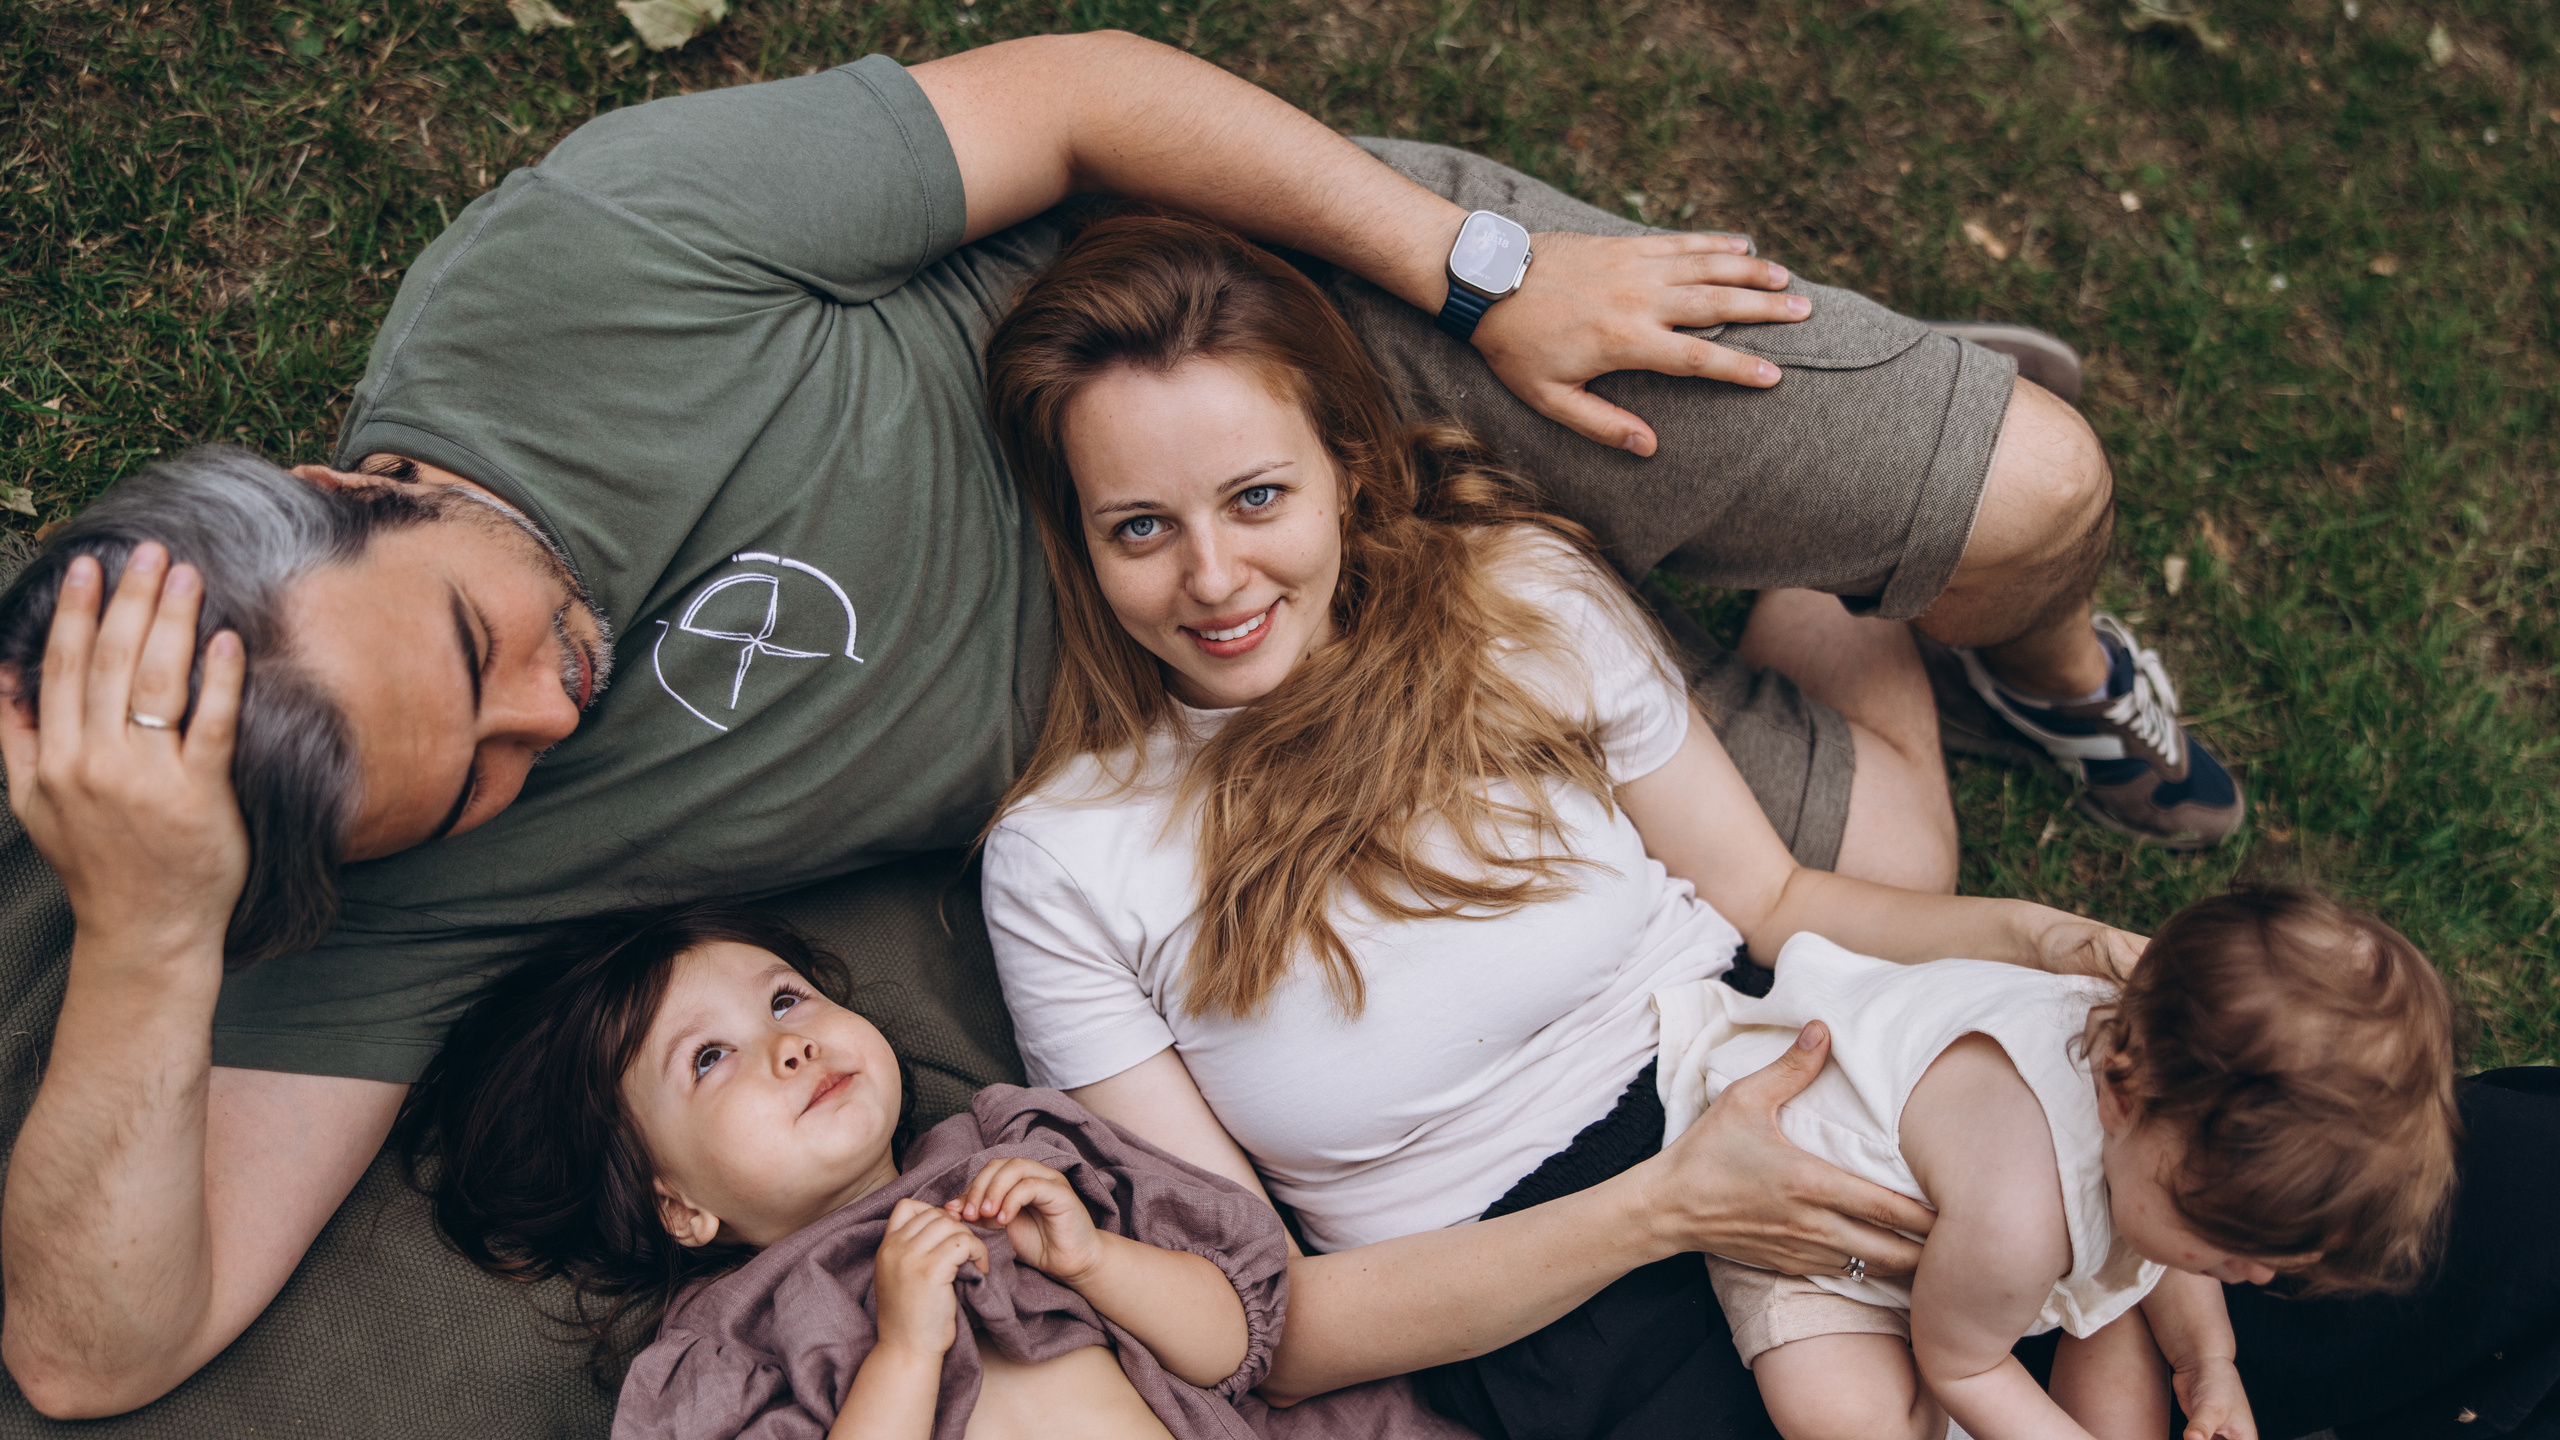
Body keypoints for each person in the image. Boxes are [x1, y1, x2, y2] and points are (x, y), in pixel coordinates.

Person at [0, 29, 2219, 1416]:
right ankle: (1808, 635)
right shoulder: (358, 910)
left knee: (2029, 490)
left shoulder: (570, 276)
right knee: (1844, 896)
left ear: (351, 481)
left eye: (482, 640)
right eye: (468, 780)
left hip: (1234, 372)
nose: (546, 716)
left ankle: (2022, 660)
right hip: (1229, 721)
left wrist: (1464, 269)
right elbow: (85, 1356)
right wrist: (149, 934)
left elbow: (1066, 102)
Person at [974, 210, 2151, 1436]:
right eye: (1142, 528)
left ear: (1347, 472)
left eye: (1258, 496)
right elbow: (1267, 1324)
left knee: (2257, 1278)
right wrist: (1669, 1207)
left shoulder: (1510, 599)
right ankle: (1850, 557)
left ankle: (1857, 517)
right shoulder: (1063, 863)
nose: (1213, 578)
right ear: (1084, 545)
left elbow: (1778, 904)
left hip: (1794, 1073)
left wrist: (2035, 937)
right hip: (1546, 1305)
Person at [398, 903, 1463, 1440]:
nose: (789, 1047)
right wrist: (903, 1351)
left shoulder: (1019, 1157)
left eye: (786, 1001)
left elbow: (1241, 1345)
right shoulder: (730, 1348)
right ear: (677, 1205)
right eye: (709, 1059)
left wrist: (1094, 1261)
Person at [1655, 887, 2459, 1440]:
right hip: (1816, 1212)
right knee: (1846, 1414)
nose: (2250, 1276)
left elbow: (2165, 1251)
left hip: (1980, 1238)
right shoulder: (2019, 1210)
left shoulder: (2154, 1101)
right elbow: (1960, 1364)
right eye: (2230, 1248)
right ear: (2119, 1096)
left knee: (2123, 1291)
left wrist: (2207, 1362)